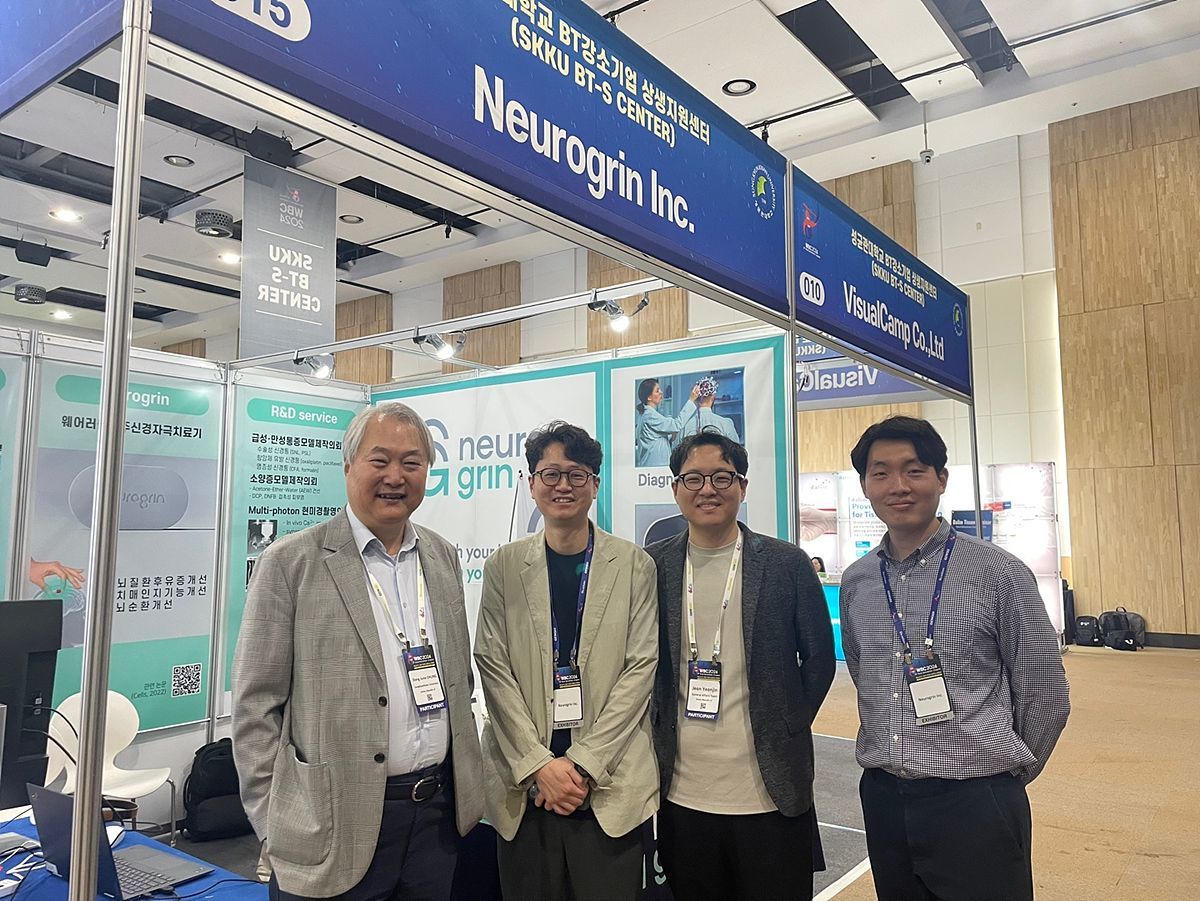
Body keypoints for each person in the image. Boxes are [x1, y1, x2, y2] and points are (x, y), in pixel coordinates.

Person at [231, 401, 484, 901]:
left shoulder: (442, 556)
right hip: (330, 824)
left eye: (411, 463)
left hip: (436, 821)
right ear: (348, 466)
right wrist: (276, 821)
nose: (395, 477)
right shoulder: (291, 562)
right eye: (380, 460)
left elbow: (459, 678)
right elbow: (254, 706)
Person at [840, 416, 1070, 901]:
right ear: (865, 486)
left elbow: (1045, 692)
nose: (898, 486)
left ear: (941, 479)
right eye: (881, 473)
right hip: (884, 798)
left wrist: (1002, 776)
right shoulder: (858, 581)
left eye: (914, 470)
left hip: (976, 800)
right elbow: (865, 674)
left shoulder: (998, 572)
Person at [646, 432, 835, 901]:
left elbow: (819, 660)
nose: (707, 489)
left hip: (770, 792)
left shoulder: (786, 564)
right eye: (693, 478)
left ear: (742, 485)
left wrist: (786, 723)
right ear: (675, 488)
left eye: (722, 477)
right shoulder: (653, 566)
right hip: (681, 794)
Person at [474, 421, 658, 901]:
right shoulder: (504, 566)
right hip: (524, 789)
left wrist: (581, 764)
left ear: (594, 485)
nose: (563, 486)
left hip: (609, 788)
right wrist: (540, 766)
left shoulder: (634, 565)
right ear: (531, 483)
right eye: (550, 474)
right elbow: (492, 666)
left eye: (576, 475)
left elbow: (640, 669)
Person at [636, 378, 698, 466]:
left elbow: (655, 436)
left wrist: (670, 434)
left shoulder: (649, 414)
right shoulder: (649, 415)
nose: (661, 392)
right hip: (654, 465)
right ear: (649, 397)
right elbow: (677, 425)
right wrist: (691, 400)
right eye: (657, 391)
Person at [679, 377, 741, 444]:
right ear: (713, 397)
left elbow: (680, 450)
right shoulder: (725, 423)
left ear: (695, 399)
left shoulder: (685, 426)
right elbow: (735, 449)